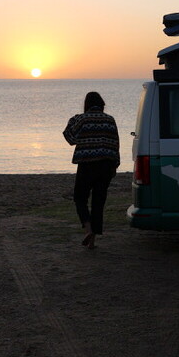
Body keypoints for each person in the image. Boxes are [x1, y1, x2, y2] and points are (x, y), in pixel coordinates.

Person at [62, 91, 120, 249]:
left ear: (86, 105)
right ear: (101, 104)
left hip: (87, 164)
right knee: (98, 202)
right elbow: (115, 143)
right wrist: (115, 165)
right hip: (106, 165)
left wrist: (71, 120)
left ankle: (87, 228)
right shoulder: (110, 120)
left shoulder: (81, 119)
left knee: (80, 198)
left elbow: (70, 139)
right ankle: (92, 242)